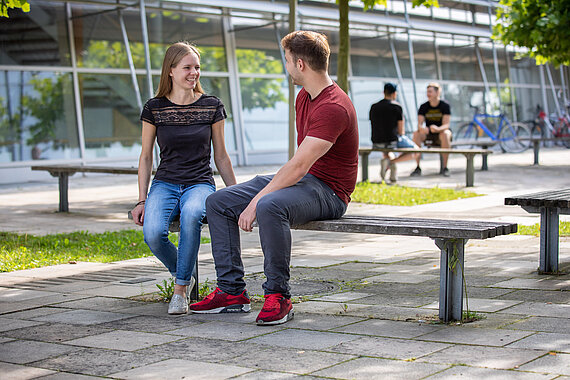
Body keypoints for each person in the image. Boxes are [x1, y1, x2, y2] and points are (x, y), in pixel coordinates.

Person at [190, 30, 359, 325]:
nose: (286, 66)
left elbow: (299, 166)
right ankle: (231, 292)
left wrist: (257, 199)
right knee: (218, 202)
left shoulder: (333, 106)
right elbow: (297, 167)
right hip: (306, 181)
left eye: (287, 61)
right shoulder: (304, 97)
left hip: (330, 192)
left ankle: (278, 296)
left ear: (300, 64)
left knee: (270, 205)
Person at [131, 42, 236, 315]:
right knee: (153, 234)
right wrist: (142, 199)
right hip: (164, 183)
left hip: (200, 183)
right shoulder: (154, 108)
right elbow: (145, 157)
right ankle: (184, 273)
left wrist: (238, 195)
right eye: (187, 67)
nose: (194, 73)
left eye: (197, 67)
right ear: (171, 71)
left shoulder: (212, 106)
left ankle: (179, 291)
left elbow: (222, 156)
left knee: (191, 215)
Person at [369, 82, 418, 183]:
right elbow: (401, 131)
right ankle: (391, 162)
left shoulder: (374, 107)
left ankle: (392, 175)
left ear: (384, 92)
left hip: (376, 141)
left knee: (388, 151)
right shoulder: (397, 107)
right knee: (416, 151)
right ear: (394, 93)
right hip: (392, 141)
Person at [411, 82, 452, 177]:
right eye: (427, 92)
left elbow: (446, 125)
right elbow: (419, 125)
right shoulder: (423, 106)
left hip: (441, 132)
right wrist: (422, 129)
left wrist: (437, 129)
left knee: (445, 134)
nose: (428, 94)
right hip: (429, 133)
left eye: (430, 92)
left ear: (437, 93)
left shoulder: (445, 105)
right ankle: (417, 167)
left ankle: (445, 167)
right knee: (416, 134)